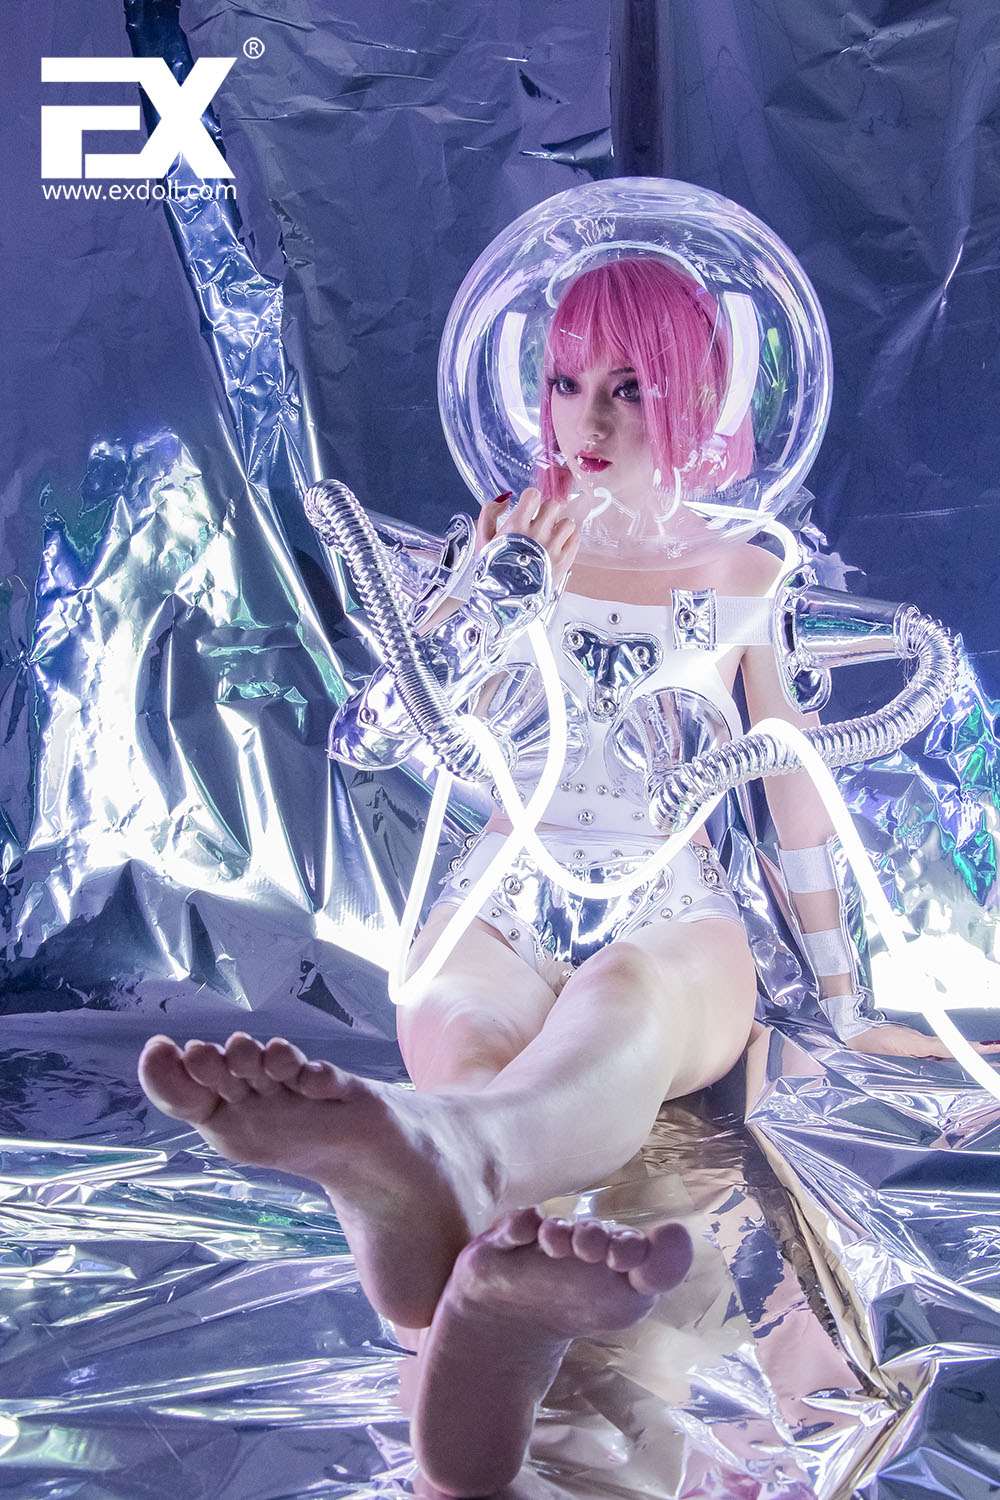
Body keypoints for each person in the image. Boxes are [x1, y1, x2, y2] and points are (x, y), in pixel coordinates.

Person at [136, 256, 992, 1497]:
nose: (586, 417)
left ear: (699, 394)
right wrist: (484, 595)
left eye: (630, 386)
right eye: (564, 380)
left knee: (623, 1006)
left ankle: (453, 1172)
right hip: (500, 898)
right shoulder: (502, 546)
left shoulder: (746, 573)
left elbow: (793, 788)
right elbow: (377, 733)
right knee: (461, 1020)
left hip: (670, 912)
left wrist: (841, 990)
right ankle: (474, 1271)